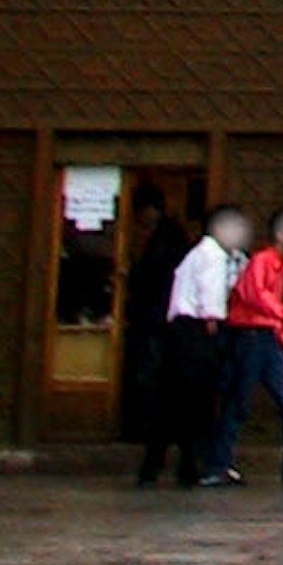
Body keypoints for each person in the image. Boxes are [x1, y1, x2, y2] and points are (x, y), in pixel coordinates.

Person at [203, 206, 283, 486]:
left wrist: (282, 336)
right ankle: (218, 464)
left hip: (265, 338)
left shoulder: (279, 266)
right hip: (249, 337)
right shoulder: (262, 261)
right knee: (237, 401)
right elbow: (257, 297)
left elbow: (269, 306)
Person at [146, 203, 245, 487]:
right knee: (195, 402)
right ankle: (192, 466)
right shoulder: (212, 256)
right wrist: (213, 321)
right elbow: (210, 294)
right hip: (195, 333)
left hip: (180, 332)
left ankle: (155, 467)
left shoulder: (198, 253)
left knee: (172, 402)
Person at [122, 183, 191, 484]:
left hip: (161, 325)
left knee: (158, 390)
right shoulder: (162, 237)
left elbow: (157, 277)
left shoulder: (168, 240)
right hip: (159, 325)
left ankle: (165, 460)